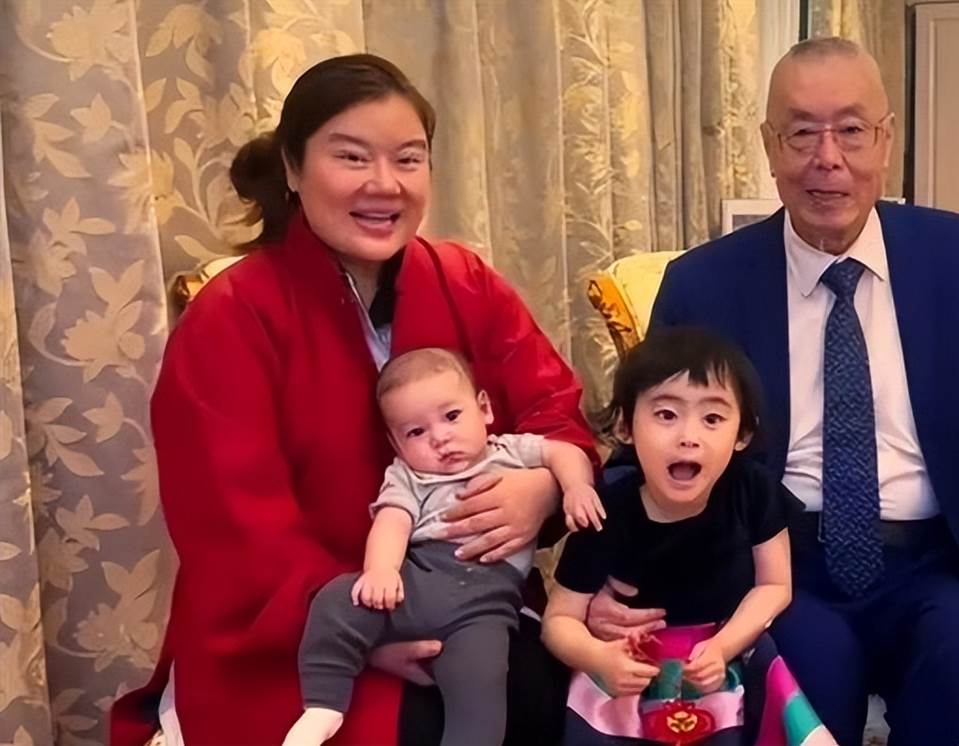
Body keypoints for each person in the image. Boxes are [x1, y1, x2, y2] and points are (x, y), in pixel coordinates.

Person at [586, 39, 959, 746]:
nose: (828, 158)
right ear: (769, 145)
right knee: (807, 669)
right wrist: (605, 574)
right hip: (773, 564)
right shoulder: (704, 284)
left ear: (886, 139)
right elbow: (644, 445)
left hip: (931, 561)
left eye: (850, 129)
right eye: (801, 133)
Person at [110, 54, 597, 746]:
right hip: (293, 634)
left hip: (465, 604)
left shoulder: (464, 280)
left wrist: (543, 487)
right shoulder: (230, 317)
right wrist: (363, 628)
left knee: (549, 705)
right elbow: (235, 528)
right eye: (352, 157)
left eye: (408, 159)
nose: (384, 184)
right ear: (292, 168)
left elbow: (554, 408)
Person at [285, 348, 602, 746]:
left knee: (484, 685)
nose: (440, 438)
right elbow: (392, 520)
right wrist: (381, 570)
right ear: (395, 443)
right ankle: (323, 706)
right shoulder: (409, 476)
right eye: (416, 432)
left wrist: (576, 487)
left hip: (484, 606)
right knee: (335, 602)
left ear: (484, 409)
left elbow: (564, 451)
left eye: (452, 416)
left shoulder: (510, 451)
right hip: (415, 584)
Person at [544, 327, 834, 745]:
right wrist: (598, 658)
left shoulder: (752, 489)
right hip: (628, 677)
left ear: (742, 434)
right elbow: (559, 621)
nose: (688, 437)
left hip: (726, 663)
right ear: (626, 427)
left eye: (712, 418)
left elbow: (775, 585)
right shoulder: (608, 511)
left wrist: (724, 646)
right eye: (666, 415)